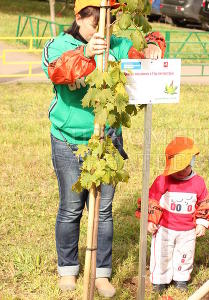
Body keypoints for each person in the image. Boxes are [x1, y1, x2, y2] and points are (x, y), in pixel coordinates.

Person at [42, 0, 166, 297]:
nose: (102, 31)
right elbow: (57, 72)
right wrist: (86, 53)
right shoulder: (59, 45)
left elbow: (147, 42)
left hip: (108, 141)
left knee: (104, 210)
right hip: (68, 140)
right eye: (95, 24)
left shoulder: (117, 45)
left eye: (107, 24)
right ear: (79, 18)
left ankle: (101, 274)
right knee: (71, 208)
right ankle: (68, 270)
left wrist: (152, 47)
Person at [136, 137, 209, 292]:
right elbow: (151, 199)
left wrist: (202, 222)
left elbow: (205, 202)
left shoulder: (198, 182)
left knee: (185, 255)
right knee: (161, 253)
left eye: (185, 167)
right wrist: (150, 220)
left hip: (187, 230)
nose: (181, 172)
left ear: (192, 163)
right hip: (164, 228)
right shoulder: (163, 181)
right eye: (177, 168)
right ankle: (160, 280)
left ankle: (181, 279)